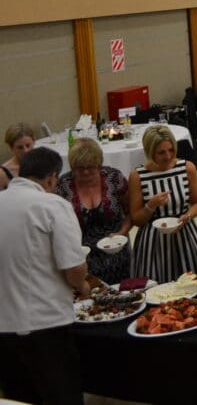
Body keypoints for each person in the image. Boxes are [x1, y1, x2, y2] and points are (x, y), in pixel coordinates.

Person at [0, 146, 89, 405]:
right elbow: (73, 268)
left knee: (19, 398)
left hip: (3, 328)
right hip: (44, 324)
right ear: (52, 178)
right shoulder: (53, 205)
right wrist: (82, 285)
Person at [129, 125, 197, 282]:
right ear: (149, 151)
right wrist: (150, 206)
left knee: (193, 287)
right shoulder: (137, 176)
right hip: (153, 242)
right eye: (161, 152)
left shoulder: (187, 168)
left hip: (185, 234)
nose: (168, 156)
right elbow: (136, 219)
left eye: (171, 150)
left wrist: (188, 215)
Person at [56, 139, 131, 283]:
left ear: (99, 163)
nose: (85, 172)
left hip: (116, 250)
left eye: (90, 167)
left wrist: (122, 233)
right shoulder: (62, 185)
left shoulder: (114, 177)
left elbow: (130, 212)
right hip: (82, 256)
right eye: (79, 168)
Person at [1, 122, 35, 189]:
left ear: (34, 142)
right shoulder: (3, 173)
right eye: (20, 147)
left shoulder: (42, 163)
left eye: (28, 145)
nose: (26, 151)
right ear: (11, 148)